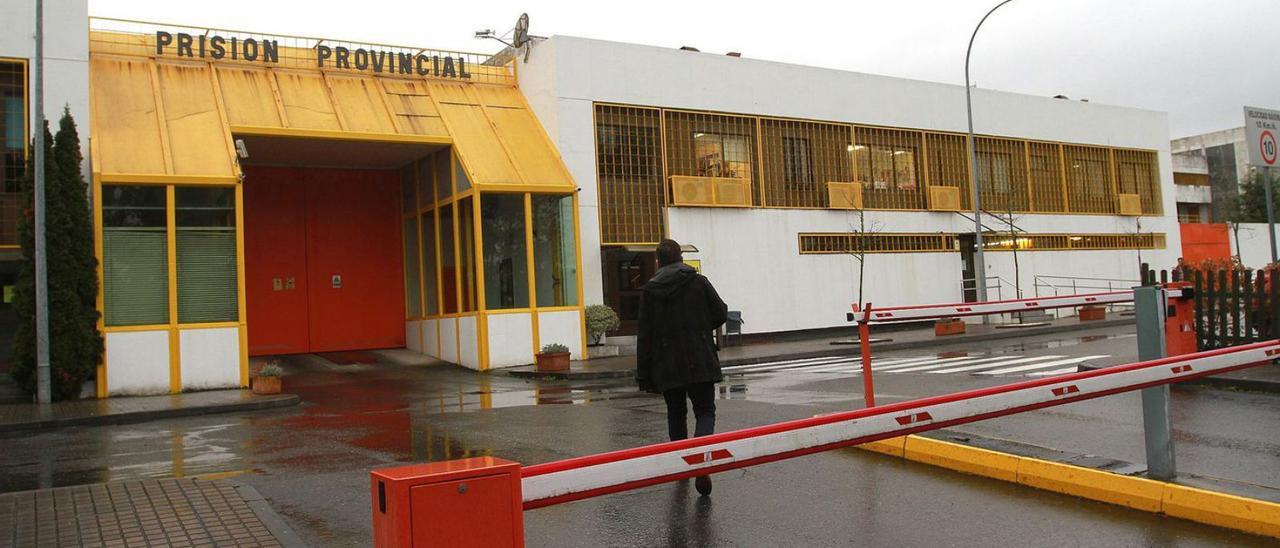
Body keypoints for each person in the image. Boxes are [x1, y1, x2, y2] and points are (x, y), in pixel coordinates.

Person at [636, 239, 728, 496]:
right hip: (700, 358)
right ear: (680, 258)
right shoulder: (699, 282)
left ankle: (682, 467)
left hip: (667, 364)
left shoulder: (650, 292)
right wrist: (700, 327)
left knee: (676, 414)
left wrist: (645, 375)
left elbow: (645, 336)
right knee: (705, 412)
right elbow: (720, 312)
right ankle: (701, 461)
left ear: (658, 261)